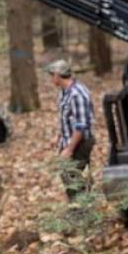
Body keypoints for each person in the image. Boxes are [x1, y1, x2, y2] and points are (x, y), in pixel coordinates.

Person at [46, 59, 96, 200]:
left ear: (57, 75)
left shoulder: (77, 94)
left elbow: (81, 125)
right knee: (68, 176)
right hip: (70, 140)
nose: (51, 78)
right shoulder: (64, 92)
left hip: (80, 142)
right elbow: (66, 118)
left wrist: (69, 149)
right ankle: (78, 208)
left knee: (75, 178)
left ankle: (82, 211)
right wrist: (58, 136)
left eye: (52, 75)